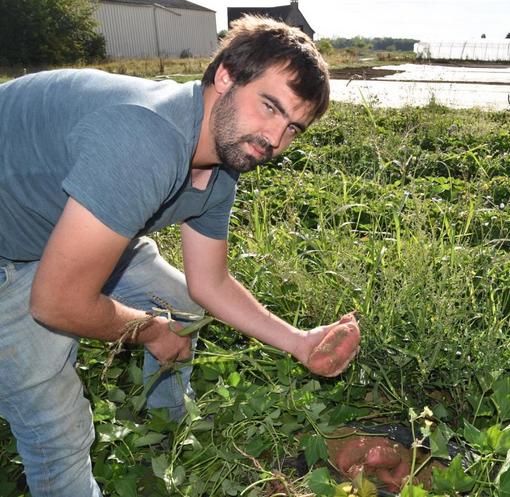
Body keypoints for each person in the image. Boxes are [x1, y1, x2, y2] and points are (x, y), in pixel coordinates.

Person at [0, 15, 359, 497]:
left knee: (178, 303)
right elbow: (57, 302)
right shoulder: (146, 140)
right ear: (226, 75)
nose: (275, 140)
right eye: (270, 107)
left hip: (54, 220)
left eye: (292, 127)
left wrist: (299, 341)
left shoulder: (221, 162)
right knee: (58, 429)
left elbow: (208, 283)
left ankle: (171, 425)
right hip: (9, 249)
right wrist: (150, 330)